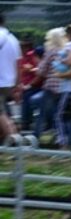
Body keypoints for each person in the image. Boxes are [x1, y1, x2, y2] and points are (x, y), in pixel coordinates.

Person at [0, 13, 21, 143]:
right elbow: (18, 64)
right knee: (5, 113)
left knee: (1, 114)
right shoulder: (13, 39)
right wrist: (18, 85)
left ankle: (13, 141)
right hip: (10, 82)